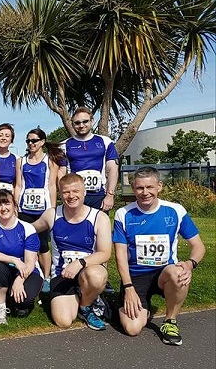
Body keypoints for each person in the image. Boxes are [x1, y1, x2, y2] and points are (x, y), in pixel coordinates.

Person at [113, 166, 205, 346]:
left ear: (159, 187)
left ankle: (170, 321)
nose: (145, 192)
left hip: (165, 272)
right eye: (140, 188)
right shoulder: (123, 214)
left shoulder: (175, 211)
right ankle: (140, 307)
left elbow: (198, 246)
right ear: (133, 189)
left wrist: (190, 263)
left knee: (179, 273)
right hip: (136, 276)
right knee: (132, 328)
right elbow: (120, 256)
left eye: (150, 187)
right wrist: (129, 288)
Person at [33, 174, 111, 331]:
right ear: (60, 194)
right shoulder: (52, 214)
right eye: (66, 192)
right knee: (64, 321)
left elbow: (104, 253)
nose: (71, 196)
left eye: (76, 191)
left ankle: (85, 305)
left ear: (84, 192)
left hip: (88, 271)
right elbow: (28, 229)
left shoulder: (99, 217)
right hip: (62, 275)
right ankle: (81, 294)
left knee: (97, 276)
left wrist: (79, 263)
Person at [14, 128, 67, 293]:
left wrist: (52, 209)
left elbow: (52, 185)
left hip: (42, 209)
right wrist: (16, 206)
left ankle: (46, 277)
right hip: (24, 208)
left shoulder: (50, 161)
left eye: (34, 140)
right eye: (28, 141)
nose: (31, 144)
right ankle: (26, 272)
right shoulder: (21, 161)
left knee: (43, 244)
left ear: (42, 142)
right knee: (24, 242)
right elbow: (18, 185)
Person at [0, 190, 43, 324]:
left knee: (23, 301)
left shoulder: (27, 228)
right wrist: (14, 260)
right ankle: (1, 308)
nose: (3, 208)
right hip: (2, 269)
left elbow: (30, 263)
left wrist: (20, 280)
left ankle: (16, 301)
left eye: (7, 203)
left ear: (14, 205)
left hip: (27, 270)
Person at [62, 107, 119, 212]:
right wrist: (63, 196)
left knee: (100, 227)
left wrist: (110, 195)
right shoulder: (64, 145)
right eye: (77, 123)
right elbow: (60, 174)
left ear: (92, 121)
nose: (81, 125)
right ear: (73, 124)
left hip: (99, 195)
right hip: (74, 196)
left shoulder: (105, 141)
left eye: (85, 121)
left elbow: (113, 169)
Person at [0, 123, 18, 192]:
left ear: (11, 140)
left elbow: (18, 183)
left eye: (7, 136)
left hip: (9, 196)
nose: (3, 138)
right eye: (0, 135)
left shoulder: (17, 159)